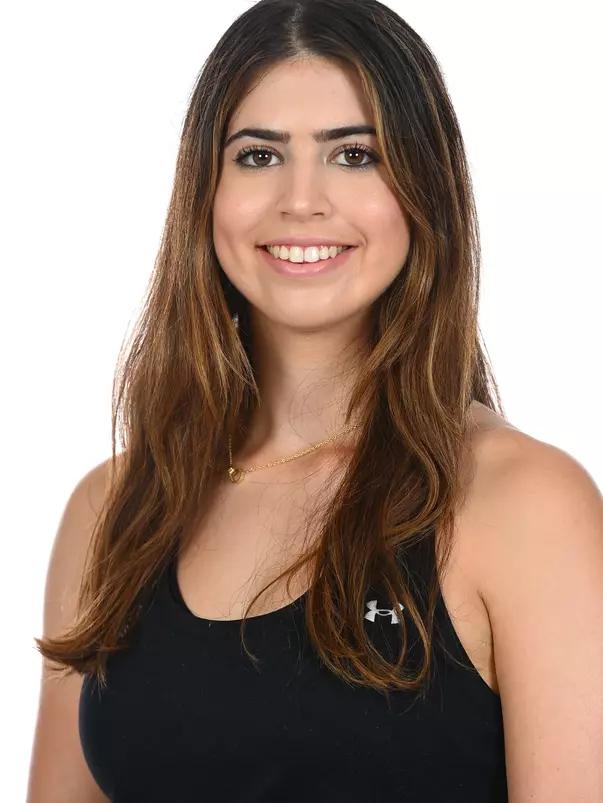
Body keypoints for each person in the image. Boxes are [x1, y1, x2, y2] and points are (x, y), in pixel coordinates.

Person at [28, 1, 603, 801]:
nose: (302, 201)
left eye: (355, 155)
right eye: (258, 156)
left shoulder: (524, 505)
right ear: (205, 191)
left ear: (422, 190)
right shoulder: (112, 510)